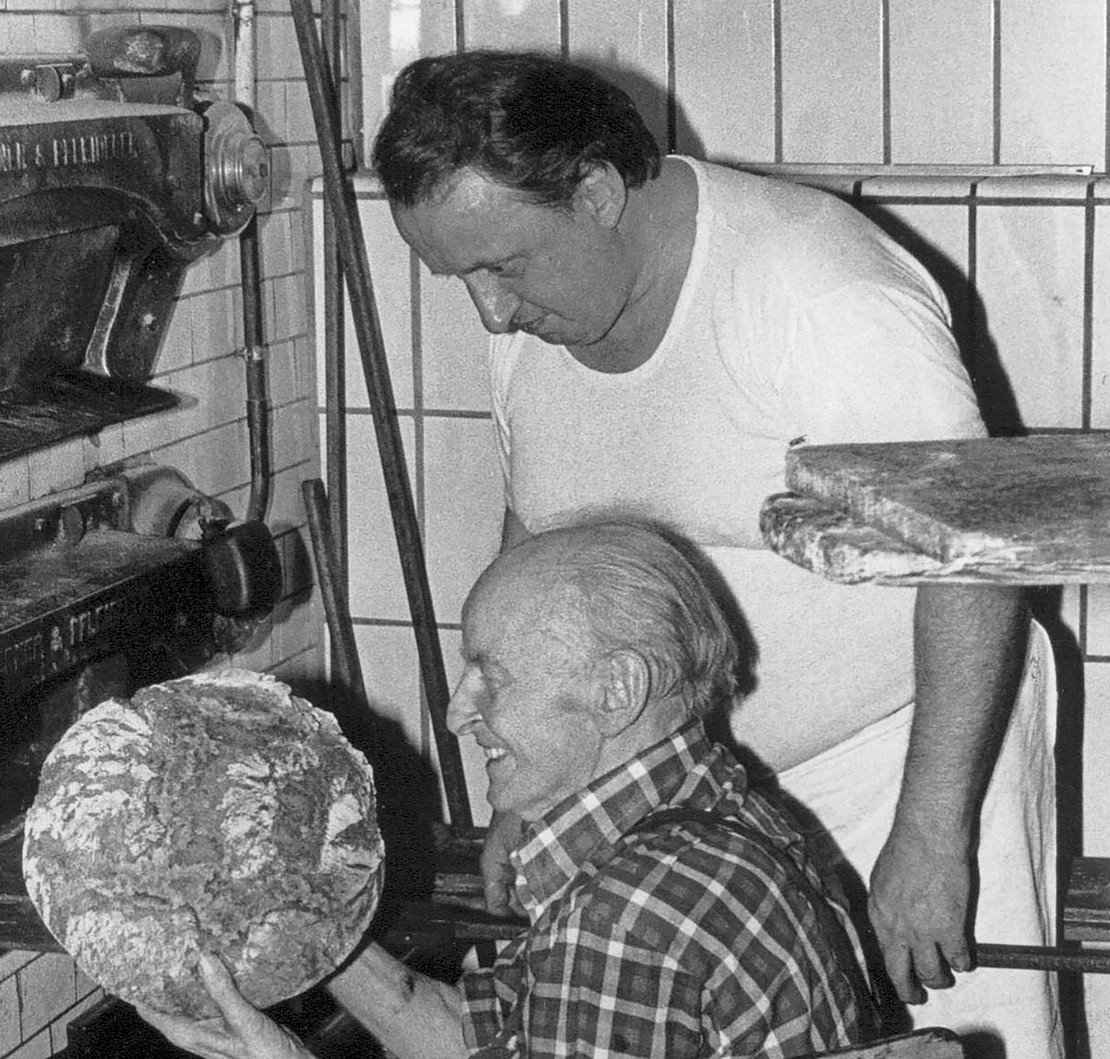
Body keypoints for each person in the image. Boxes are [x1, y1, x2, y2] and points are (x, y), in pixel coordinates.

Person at [371, 50, 1060, 1058]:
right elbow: (542, 560)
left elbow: (967, 558)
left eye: (503, 267)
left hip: (896, 767)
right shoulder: (527, 312)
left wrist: (929, 833)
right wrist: (536, 788)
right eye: (456, 275)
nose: (487, 310)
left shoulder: (818, 290)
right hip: (677, 812)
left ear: (598, 193)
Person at [142, 518, 875, 1058]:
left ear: (616, 688)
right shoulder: (723, 811)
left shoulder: (625, 918)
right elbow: (476, 1036)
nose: (458, 710)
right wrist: (299, 912)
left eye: (492, 674)